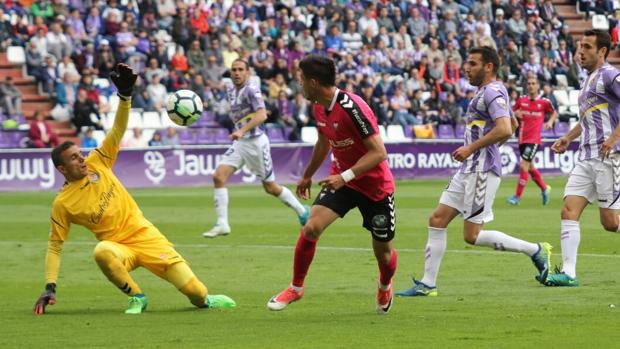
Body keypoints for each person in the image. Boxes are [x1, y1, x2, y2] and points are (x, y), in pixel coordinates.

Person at [33, 64, 235, 315]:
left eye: (80, 153)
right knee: (102, 251)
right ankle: (137, 297)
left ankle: (206, 299)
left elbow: (117, 130)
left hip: (146, 236)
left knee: (196, 292)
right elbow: (55, 246)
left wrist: (125, 96)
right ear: (62, 169)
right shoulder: (63, 203)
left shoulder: (98, 161)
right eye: (74, 158)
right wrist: (50, 285)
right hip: (119, 248)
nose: (82, 158)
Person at [396, 47, 552, 298]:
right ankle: (428, 284)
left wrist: (472, 148)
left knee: (472, 235)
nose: (466, 68)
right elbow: (511, 124)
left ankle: (534, 250)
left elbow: (503, 128)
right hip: (468, 169)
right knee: (437, 220)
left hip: (481, 170)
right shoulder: (485, 92)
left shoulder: (493, 90)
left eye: (472, 63)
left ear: (488, 67)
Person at [267, 55, 398, 314]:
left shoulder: (353, 108)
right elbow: (324, 142)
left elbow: (379, 153)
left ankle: (385, 284)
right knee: (312, 226)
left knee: (383, 252)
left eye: (301, 79)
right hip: (343, 182)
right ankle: (296, 287)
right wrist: (307, 174)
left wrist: (344, 176)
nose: (299, 84)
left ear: (314, 82)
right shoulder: (318, 106)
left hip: (374, 186)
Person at [202, 59, 309, 238]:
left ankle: (302, 211)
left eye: (240, 70)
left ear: (248, 72)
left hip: (256, 143)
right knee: (218, 177)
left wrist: (241, 130)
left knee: (270, 188)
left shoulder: (251, 90)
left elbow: (262, 114)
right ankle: (222, 223)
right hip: (241, 143)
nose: (236, 73)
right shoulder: (229, 89)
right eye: (234, 70)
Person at [546, 30, 620, 287]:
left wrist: (613, 139)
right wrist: (568, 137)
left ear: (602, 51)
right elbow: (587, 118)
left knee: (610, 223)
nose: (581, 52)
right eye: (580, 47)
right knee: (568, 210)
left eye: (587, 47)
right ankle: (568, 273)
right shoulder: (587, 80)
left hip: (608, 157)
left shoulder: (610, 75)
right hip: (586, 156)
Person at [507, 77, 556, 205]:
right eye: (529, 84)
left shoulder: (544, 102)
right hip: (522, 139)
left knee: (524, 165)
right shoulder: (521, 100)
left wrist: (550, 121)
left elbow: (554, 112)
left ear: (538, 86)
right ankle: (544, 189)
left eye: (533, 83)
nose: (531, 86)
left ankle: (516, 197)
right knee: (530, 167)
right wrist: (515, 114)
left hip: (534, 140)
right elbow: (509, 112)